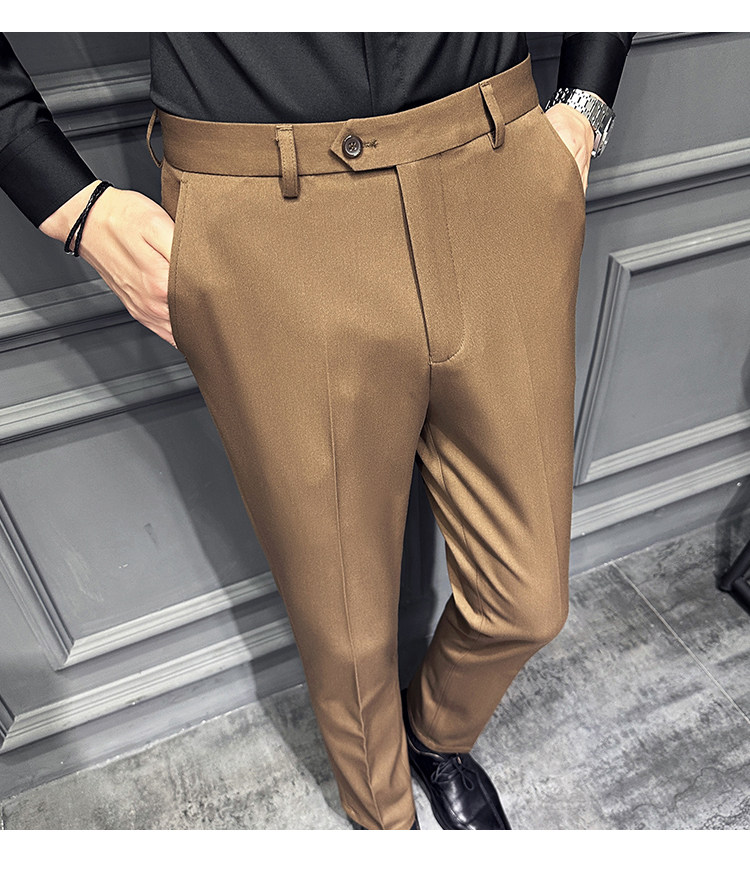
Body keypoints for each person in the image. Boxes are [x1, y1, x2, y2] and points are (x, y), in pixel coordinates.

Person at [0, 32, 634, 830]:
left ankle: (436, 735)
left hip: (493, 165)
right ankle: (381, 818)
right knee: (345, 634)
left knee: (528, 600)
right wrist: (74, 206)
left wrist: (586, 102)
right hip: (266, 209)